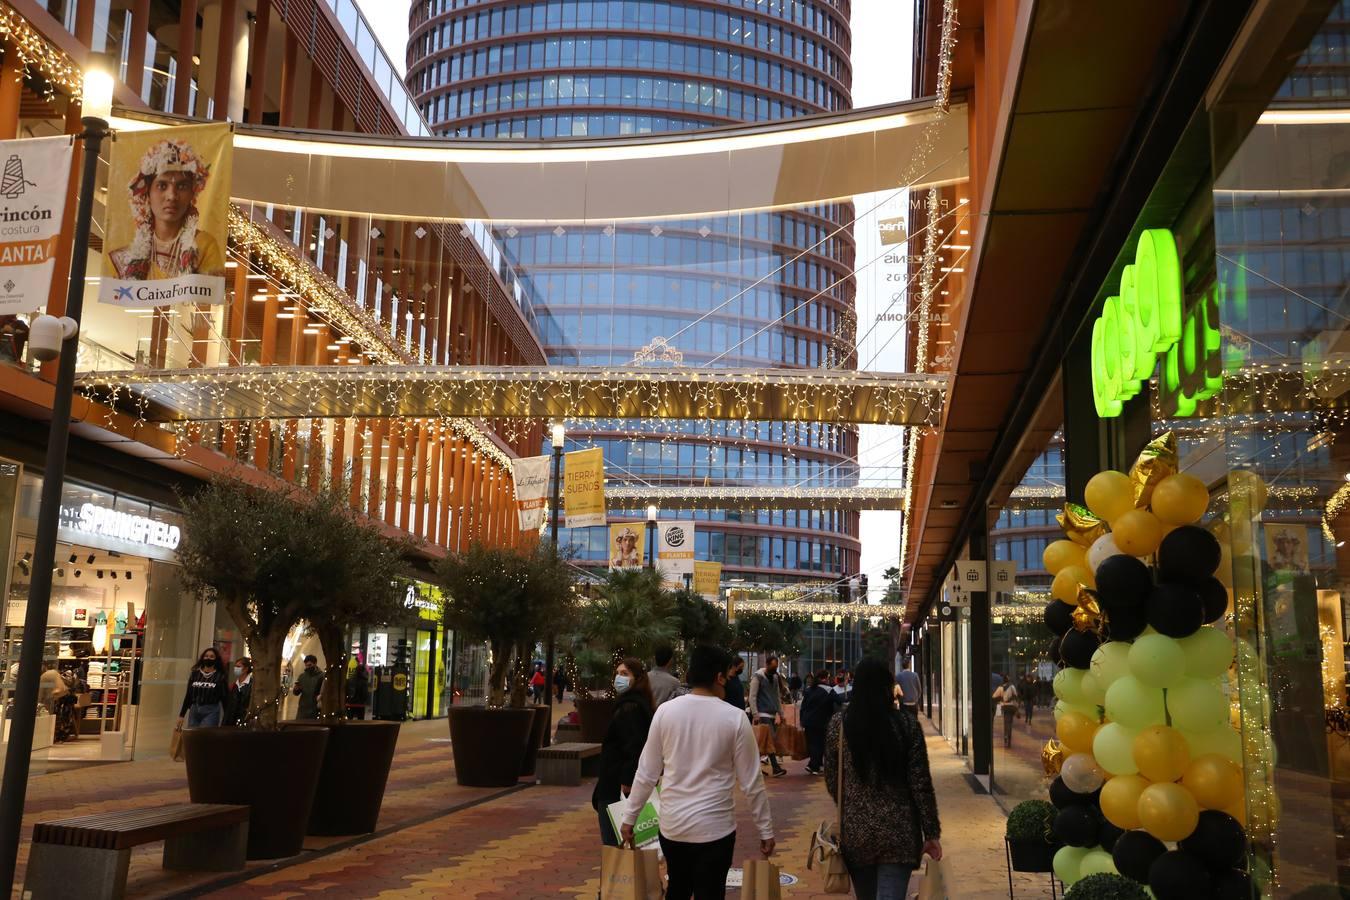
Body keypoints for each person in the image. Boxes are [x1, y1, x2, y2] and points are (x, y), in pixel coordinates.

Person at [621, 645, 774, 900]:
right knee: (711, 892)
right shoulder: (735, 719)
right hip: (715, 829)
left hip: (673, 827)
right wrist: (765, 830)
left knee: (678, 888)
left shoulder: (665, 712)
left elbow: (646, 772)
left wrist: (630, 817)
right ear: (719, 677)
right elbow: (752, 782)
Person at [825, 658, 942, 900]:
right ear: (888, 688)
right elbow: (920, 784)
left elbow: (831, 776)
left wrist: (850, 806)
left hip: (857, 833)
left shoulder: (840, 725)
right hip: (898, 833)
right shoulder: (907, 725)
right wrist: (931, 833)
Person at [109, 137, 225, 280]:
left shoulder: (204, 245)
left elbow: (207, 300)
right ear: (147, 193)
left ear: (192, 194)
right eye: (162, 186)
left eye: (182, 186)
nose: (171, 196)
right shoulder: (126, 256)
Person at [594, 657, 655, 846]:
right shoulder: (638, 703)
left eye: (624, 674)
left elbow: (634, 745)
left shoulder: (630, 707)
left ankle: (620, 875)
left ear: (637, 678)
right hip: (619, 780)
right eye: (617, 673)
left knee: (615, 843)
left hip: (617, 784)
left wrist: (628, 781)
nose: (618, 678)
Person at [748, 655, 787, 777]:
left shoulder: (775, 677)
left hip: (771, 713)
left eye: (776, 667)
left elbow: (776, 696)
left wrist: (781, 713)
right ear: (767, 664)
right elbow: (752, 696)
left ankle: (753, 768)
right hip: (762, 713)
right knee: (769, 740)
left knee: (765, 742)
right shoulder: (758, 676)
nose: (775, 669)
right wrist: (755, 713)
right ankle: (775, 768)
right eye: (773, 666)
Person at [178, 647, 229, 729]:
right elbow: (188, 695)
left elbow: (225, 699)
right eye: (206, 656)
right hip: (194, 710)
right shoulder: (195, 674)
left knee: (204, 737)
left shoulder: (220, 677)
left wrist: (226, 719)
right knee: (193, 737)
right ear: (202, 658)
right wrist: (181, 715)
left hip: (211, 711)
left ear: (216, 659)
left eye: (212, 656)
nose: (208, 658)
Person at [800, 668, 835, 775]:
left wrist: (802, 720)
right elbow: (839, 700)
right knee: (820, 744)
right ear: (825, 678)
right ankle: (814, 766)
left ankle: (814, 764)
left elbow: (803, 706)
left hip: (808, 721)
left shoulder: (809, 689)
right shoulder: (829, 690)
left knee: (812, 743)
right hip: (822, 721)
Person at [293, 654, 324, 720]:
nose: (308, 667)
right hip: (303, 710)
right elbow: (296, 693)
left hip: (315, 710)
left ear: (315, 663)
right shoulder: (302, 676)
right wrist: (296, 689)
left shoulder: (321, 676)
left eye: (310, 665)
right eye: (306, 665)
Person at [993, 674, 1019, 748]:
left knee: (1006, 722)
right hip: (1011, 706)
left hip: (1005, 707)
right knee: (1010, 723)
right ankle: (1008, 738)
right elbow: (1015, 695)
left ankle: (1006, 735)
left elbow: (994, 696)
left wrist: (1001, 700)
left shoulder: (1000, 688)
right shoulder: (1012, 686)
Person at [226, 657, 253, 726]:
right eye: (235, 666)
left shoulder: (252, 685)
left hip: (245, 721)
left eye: (238, 666)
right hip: (232, 721)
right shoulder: (235, 685)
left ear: (246, 669)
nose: (236, 669)